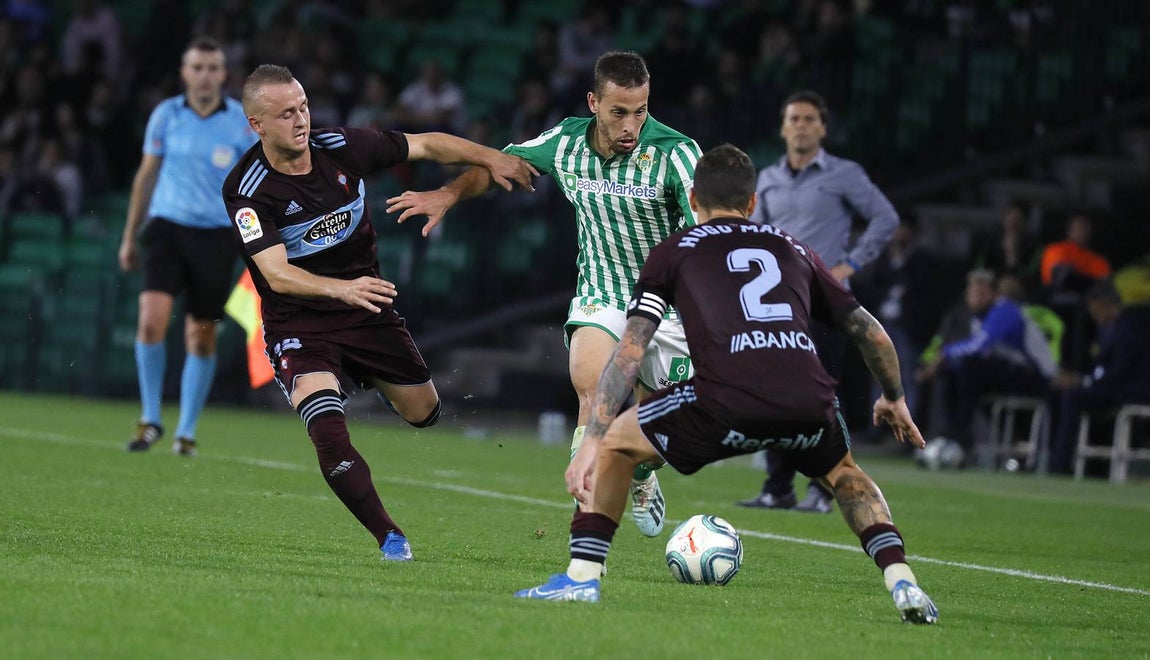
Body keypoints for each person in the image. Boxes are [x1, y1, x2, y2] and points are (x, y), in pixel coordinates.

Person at [513, 144, 937, 625]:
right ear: (752, 203)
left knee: (616, 446)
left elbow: (630, 352)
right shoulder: (792, 248)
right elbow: (871, 333)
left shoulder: (672, 252)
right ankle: (902, 581)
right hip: (806, 396)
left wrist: (591, 439)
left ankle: (582, 578)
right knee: (845, 475)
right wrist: (895, 397)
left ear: (692, 199)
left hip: (723, 398)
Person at [221, 64, 536, 561]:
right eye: (286, 114)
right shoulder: (247, 189)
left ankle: (367, 378)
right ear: (257, 125)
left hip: (368, 310)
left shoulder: (340, 147)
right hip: (301, 323)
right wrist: (341, 290)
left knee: (424, 414)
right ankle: (390, 536)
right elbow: (276, 274)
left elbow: (426, 144)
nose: (301, 120)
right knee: (327, 429)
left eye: (303, 106)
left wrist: (490, 157)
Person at [386, 51, 702, 539]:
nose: (631, 126)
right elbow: (501, 167)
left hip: (671, 306)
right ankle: (586, 540)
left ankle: (641, 472)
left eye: (640, 112)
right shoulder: (566, 142)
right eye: (619, 112)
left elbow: (711, 225)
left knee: (661, 430)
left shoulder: (677, 153)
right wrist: (448, 194)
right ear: (594, 102)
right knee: (590, 385)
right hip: (605, 293)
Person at [738, 90, 898, 513]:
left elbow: (886, 217)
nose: (802, 125)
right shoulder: (768, 179)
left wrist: (849, 265)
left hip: (824, 300)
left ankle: (823, 487)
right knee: (772, 391)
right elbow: (753, 234)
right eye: (795, 119)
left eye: (810, 119)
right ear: (783, 127)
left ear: (823, 128)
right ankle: (778, 486)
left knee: (821, 392)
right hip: (776, 302)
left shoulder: (844, 174)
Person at [120, 37, 257, 456]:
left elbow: (254, 184)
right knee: (150, 320)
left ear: (223, 74)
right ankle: (150, 419)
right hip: (166, 229)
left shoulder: (239, 121)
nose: (204, 75)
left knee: (201, 337)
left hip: (216, 236)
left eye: (212, 68)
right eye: (196, 67)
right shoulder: (166, 116)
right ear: (184, 72)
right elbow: (146, 176)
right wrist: (130, 235)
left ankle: (187, 431)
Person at [918, 269, 1054, 456]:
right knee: (948, 372)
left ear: (995, 294)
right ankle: (944, 437)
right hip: (1007, 374)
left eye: (982, 292)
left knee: (968, 366)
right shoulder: (976, 317)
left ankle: (960, 440)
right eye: (973, 292)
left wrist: (944, 354)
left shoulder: (1005, 310)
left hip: (1035, 376)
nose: (977, 297)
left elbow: (979, 346)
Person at [1048, 279, 1150, 475]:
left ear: (1106, 304)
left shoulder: (1130, 328)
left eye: (1095, 309)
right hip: (1114, 386)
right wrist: (1080, 378)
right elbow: (1102, 367)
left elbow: (1120, 370)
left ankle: (1060, 465)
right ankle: (1055, 457)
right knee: (1060, 393)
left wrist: (1086, 382)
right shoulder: (1111, 328)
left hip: (1131, 390)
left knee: (1073, 396)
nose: (1093, 315)